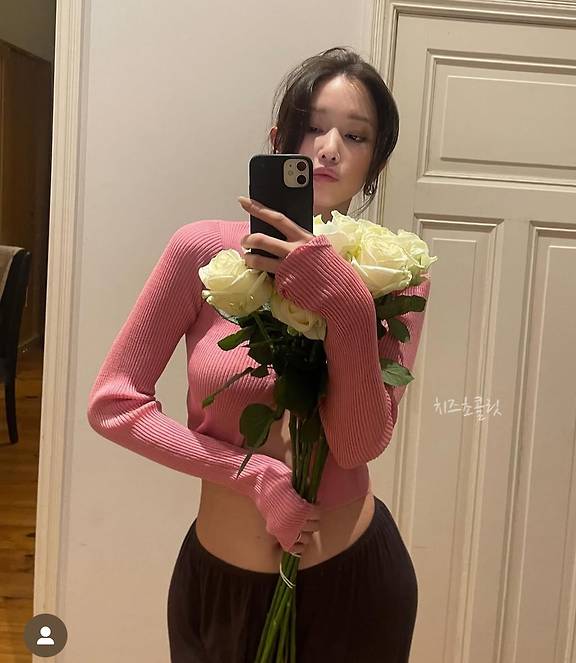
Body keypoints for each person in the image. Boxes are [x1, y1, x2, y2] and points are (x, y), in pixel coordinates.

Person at [87, 46, 431, 662]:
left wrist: (347, 306)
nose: (330, 148)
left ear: (375, 160)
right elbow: (113, 405)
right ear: (278, 140)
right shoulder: (202, 252)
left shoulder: (396, 273)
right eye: (312, 127)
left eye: (355, 136)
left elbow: (356, 445)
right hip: (220, 585)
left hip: (352, 586)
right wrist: (252, 474)